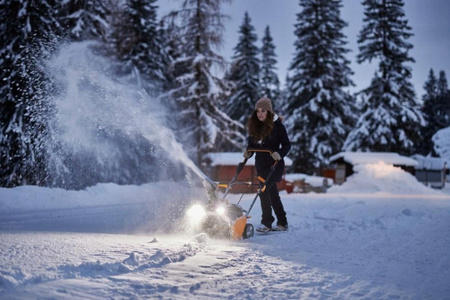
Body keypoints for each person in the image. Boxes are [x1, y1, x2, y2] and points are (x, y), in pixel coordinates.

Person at [244, 97, 291, 232]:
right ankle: (282, 222)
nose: (260, 114)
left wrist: (279, 153)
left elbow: (287, 145)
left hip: (274, 165)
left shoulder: (278, 127)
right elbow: (251, 145)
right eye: (258, 111)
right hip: (261, 166)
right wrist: (248, 153)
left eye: (263, 111)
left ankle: (267, 222)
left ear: (269, 112)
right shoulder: (255, 127)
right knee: (272, 194)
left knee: (263, 191)